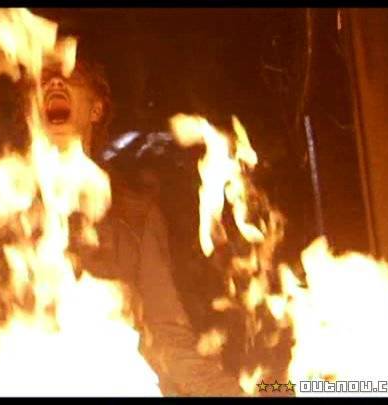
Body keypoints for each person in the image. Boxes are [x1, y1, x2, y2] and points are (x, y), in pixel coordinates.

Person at [36, 58, 244, 396]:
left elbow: (168, 335)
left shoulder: (135, 213)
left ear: (96, 109)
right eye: (45, 78)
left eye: (69, 77)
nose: (54, 83)